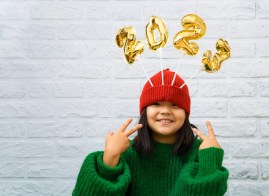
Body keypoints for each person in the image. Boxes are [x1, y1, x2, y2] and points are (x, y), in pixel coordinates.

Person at [72, 69, 229, 196]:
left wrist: (211, 160)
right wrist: (109, 158)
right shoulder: (126, 153)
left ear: (186, 113)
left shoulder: (200, 152)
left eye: (175, 104)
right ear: (144, 111)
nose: (165, 111)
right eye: (156, 103)